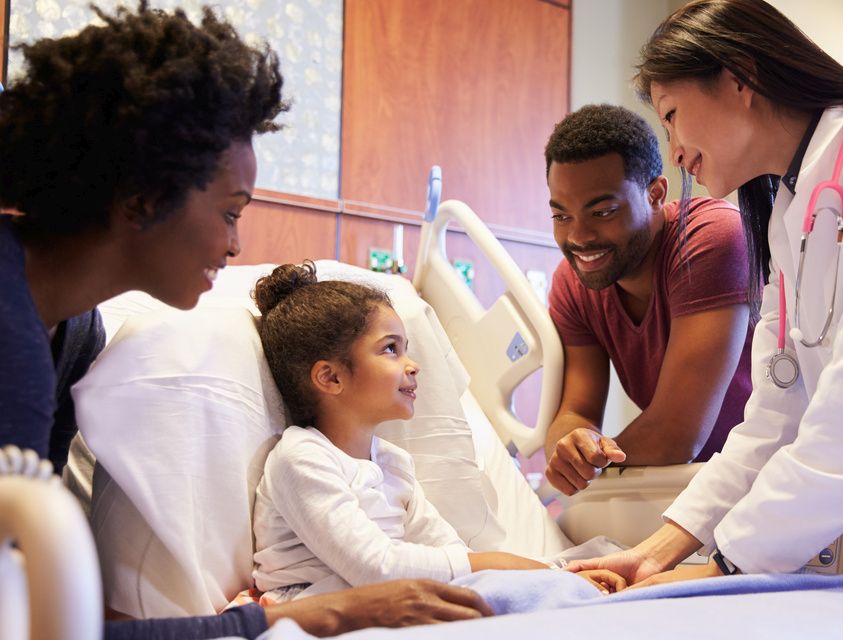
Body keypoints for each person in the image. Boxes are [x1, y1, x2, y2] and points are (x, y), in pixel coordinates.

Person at [0, 2, 493, 636]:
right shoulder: (12, 342)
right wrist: (306, 615)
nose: (235, 246)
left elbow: (53, 615)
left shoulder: (70, 336)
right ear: (143, 201)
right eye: (231, 212)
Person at [567, 0, 843, 584]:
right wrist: (656, 553)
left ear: (740, 78)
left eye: (672, 114)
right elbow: (775, 418)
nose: (673, 149)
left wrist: (723, 566)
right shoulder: (788, 213)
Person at [250, 263, 625, 600]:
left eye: (406, 348)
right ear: (330, 377)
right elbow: (376, 567)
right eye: (391, 349)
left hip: (389, 598)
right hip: (317, 606)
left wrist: (540, 575)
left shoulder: (394, 463)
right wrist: (510, 568)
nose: (413, 365)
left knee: (564, 571)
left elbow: (451, 552)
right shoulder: (300, 459)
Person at [543, 103, 754, 496]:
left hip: (784, 477)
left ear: (656, 194)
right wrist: (570, 447)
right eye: (561, 216)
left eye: (602, 212)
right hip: (696, 489)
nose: (579, 237)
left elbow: (676, 434)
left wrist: (595, 469)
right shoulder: (573, 284)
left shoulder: (710, 239)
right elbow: (576, 410)